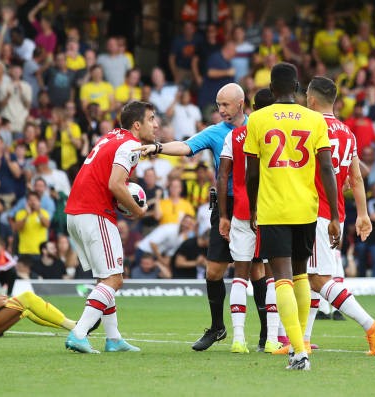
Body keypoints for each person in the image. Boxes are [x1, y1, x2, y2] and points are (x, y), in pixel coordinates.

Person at [134, 82, 249, 352]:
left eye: (225, 105)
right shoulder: (215, 132)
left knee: (257, 271)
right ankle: (218, 327)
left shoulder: (257, 127)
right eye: (218, 105)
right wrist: (158, 148)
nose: (220, 110)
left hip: (254, 203)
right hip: (224, 204)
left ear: (240, 103)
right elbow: (186, 147)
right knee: (213, 271)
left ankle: (267, 335)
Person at [244, 63, 341, 370]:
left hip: (274, 209)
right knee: (300, 276)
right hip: (306, 209)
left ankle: (298, 351)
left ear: (272, 89)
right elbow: (327, 168)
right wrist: (335, 216)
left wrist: (253, 207)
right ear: (298, 87)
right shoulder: (314, 119)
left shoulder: (258, 118)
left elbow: (252, 172)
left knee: (281, 277)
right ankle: (300, 347)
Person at [289, 76, 375, 357]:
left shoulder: (309, 126)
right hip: (337, 215)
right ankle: (304, 339)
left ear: (310, 99)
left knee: (319, 280)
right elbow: (356, 178)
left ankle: (372, 326)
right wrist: (363, 214)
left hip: (315, 212)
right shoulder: (347, 132)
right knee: (309, 277)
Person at [64, 100, 157, 354]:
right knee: (114, 279)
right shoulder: (131, 145)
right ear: (137, 125)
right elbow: (116, 184)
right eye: (151, 119)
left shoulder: (111, 137)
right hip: (94, 212)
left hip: (76, 212)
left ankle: (113, 338)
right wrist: (137, 210)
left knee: (105, 278)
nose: (156, 124)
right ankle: (79, 333)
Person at [218, 88, 278, 354]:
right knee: (274, 276)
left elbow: (222, 176)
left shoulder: (235, 135)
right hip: (272, 210)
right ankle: (274, 339)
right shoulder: (277, 135)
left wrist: (223, 214)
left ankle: (238, 339)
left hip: (242, 210)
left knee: (240, 276)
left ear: (251, 107)